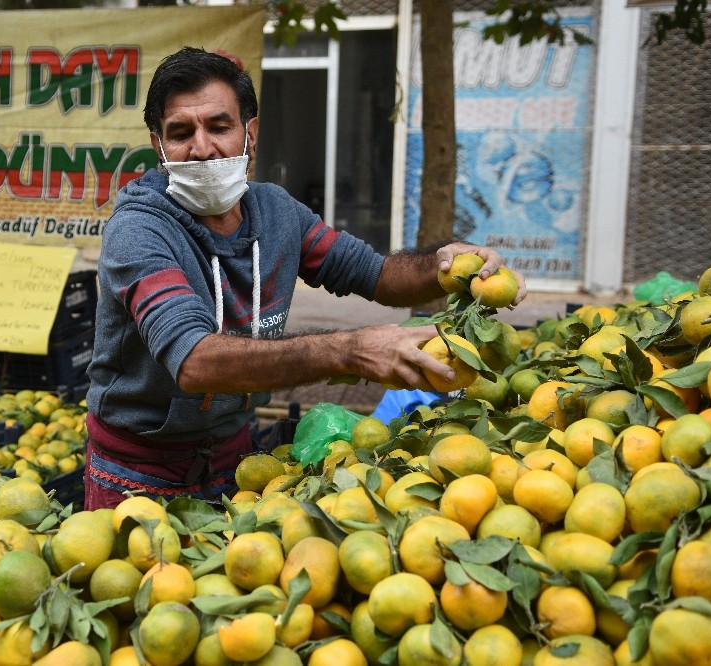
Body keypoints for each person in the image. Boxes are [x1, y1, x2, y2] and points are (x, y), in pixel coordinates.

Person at [84, 47, 526, 510]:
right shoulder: (140, 229)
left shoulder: (276, 213)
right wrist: (350, 350)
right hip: (137, 474)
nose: (202, 148)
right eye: (180, 133)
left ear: (249, 133)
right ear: (158, 145)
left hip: (235, 461)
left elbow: (376, 274)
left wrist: (446, 266)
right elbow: (194, 361)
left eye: (219, 126)